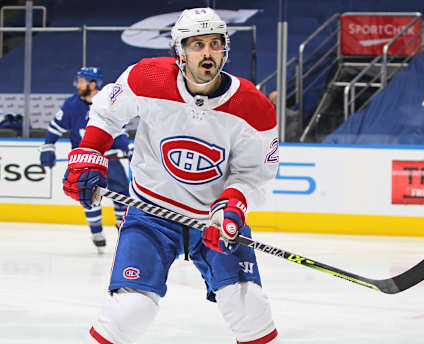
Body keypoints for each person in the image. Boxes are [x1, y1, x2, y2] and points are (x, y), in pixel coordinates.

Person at [63, 8, 280, 344]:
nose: (206, 53)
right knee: (130, 309)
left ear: (225, 49)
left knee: (248, 306)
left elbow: (256, 173)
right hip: (151, 211)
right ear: (179, 51)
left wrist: (233, 207)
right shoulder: (148, 78)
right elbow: (107, 110)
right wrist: (89, 154)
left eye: (214, 44)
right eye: (196, 45)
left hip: (212, 219)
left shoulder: (254, 107)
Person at [40, 67, 131, 252]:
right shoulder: (71, 105)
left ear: (93, 84)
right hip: (84, 162)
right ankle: (96, 231)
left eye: (82, 81)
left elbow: (117, 131)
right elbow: (55, 128)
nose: (78, 85)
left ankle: (124, 230)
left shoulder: (106, 102)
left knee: (121, 194)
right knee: (87, 194)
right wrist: (48, 146)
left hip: (110, 159)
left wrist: (128, 147)